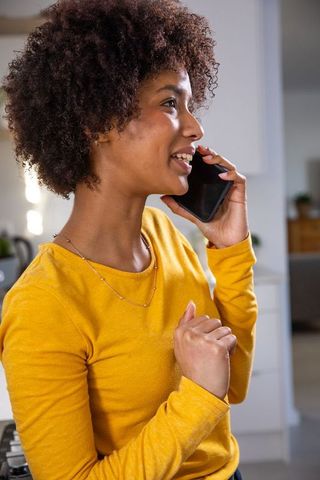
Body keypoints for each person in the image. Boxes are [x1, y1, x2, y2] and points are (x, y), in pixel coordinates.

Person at [0, 0, 257, 479]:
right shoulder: (42, 304)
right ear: (97, 121)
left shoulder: (164, 236)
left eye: (189, 105)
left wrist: (230, 252)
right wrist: (196, 398)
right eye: (168, 103)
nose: (196, 127)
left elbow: (232, 385)